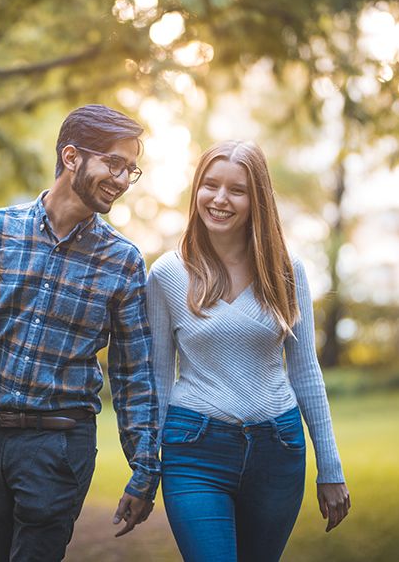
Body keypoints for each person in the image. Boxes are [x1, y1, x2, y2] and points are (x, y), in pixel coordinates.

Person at [0, 104, 161, 562]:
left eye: (130, 170)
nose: (121, 179)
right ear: (72, 157)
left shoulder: (123, 260)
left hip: (61, 443)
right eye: (114, 163)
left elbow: (134, 376)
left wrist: (145, 467)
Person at [147, 140, 350, 561]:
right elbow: (159, 378)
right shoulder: (168, 273)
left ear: (256, 199)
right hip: (194, 450)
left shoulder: (286, 271)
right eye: (210, 185)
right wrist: (146, 467)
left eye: (236, 190)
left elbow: (306, 371)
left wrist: (329, 468)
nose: (220, 199)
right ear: (196, 192)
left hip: (278, 450)